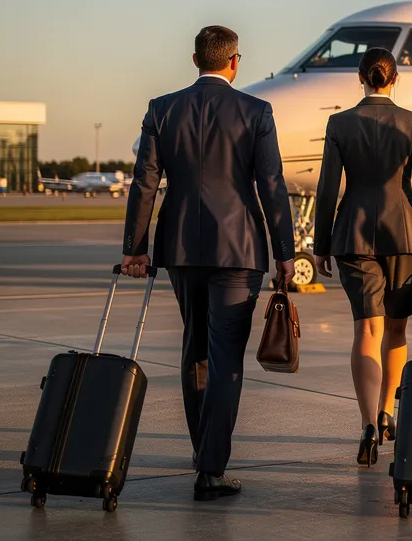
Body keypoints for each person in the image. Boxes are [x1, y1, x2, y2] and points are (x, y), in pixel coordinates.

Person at [121, 25, 296, 501]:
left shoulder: (162, 108)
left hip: (180, 248)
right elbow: (272, 184)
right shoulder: (256, 111)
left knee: (194, 350)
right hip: (238, 251)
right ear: (234, 62)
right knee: (225, 359)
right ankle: (212, 470)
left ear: (194, 60)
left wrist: (134, 247)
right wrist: (286, 253)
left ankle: (204, 453)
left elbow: (144, 183)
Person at [312, 48, 412, 467]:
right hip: (405, 236)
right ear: (395, 80)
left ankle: (369, 422)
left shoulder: (340, 123)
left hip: (353, 234)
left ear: (361, 78)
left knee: (366, 330)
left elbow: (328, 188)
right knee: (397, 329)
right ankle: (389, 410)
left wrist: (320, 245)